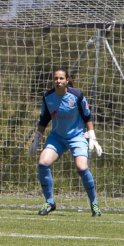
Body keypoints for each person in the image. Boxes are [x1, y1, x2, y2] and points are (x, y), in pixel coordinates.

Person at [29, 67, 103, 217]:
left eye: (61, 78)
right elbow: (44, 118)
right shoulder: (48, 97)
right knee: (43, 162)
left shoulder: (77, 96)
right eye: (56, 78)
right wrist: (37, 137)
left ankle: (94, 204)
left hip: (77, 137)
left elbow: (87, 117)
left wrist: (92, 137)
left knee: (81, 167)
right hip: (57, 137)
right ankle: (49, 202)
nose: (58, 81)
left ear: (67, 80)